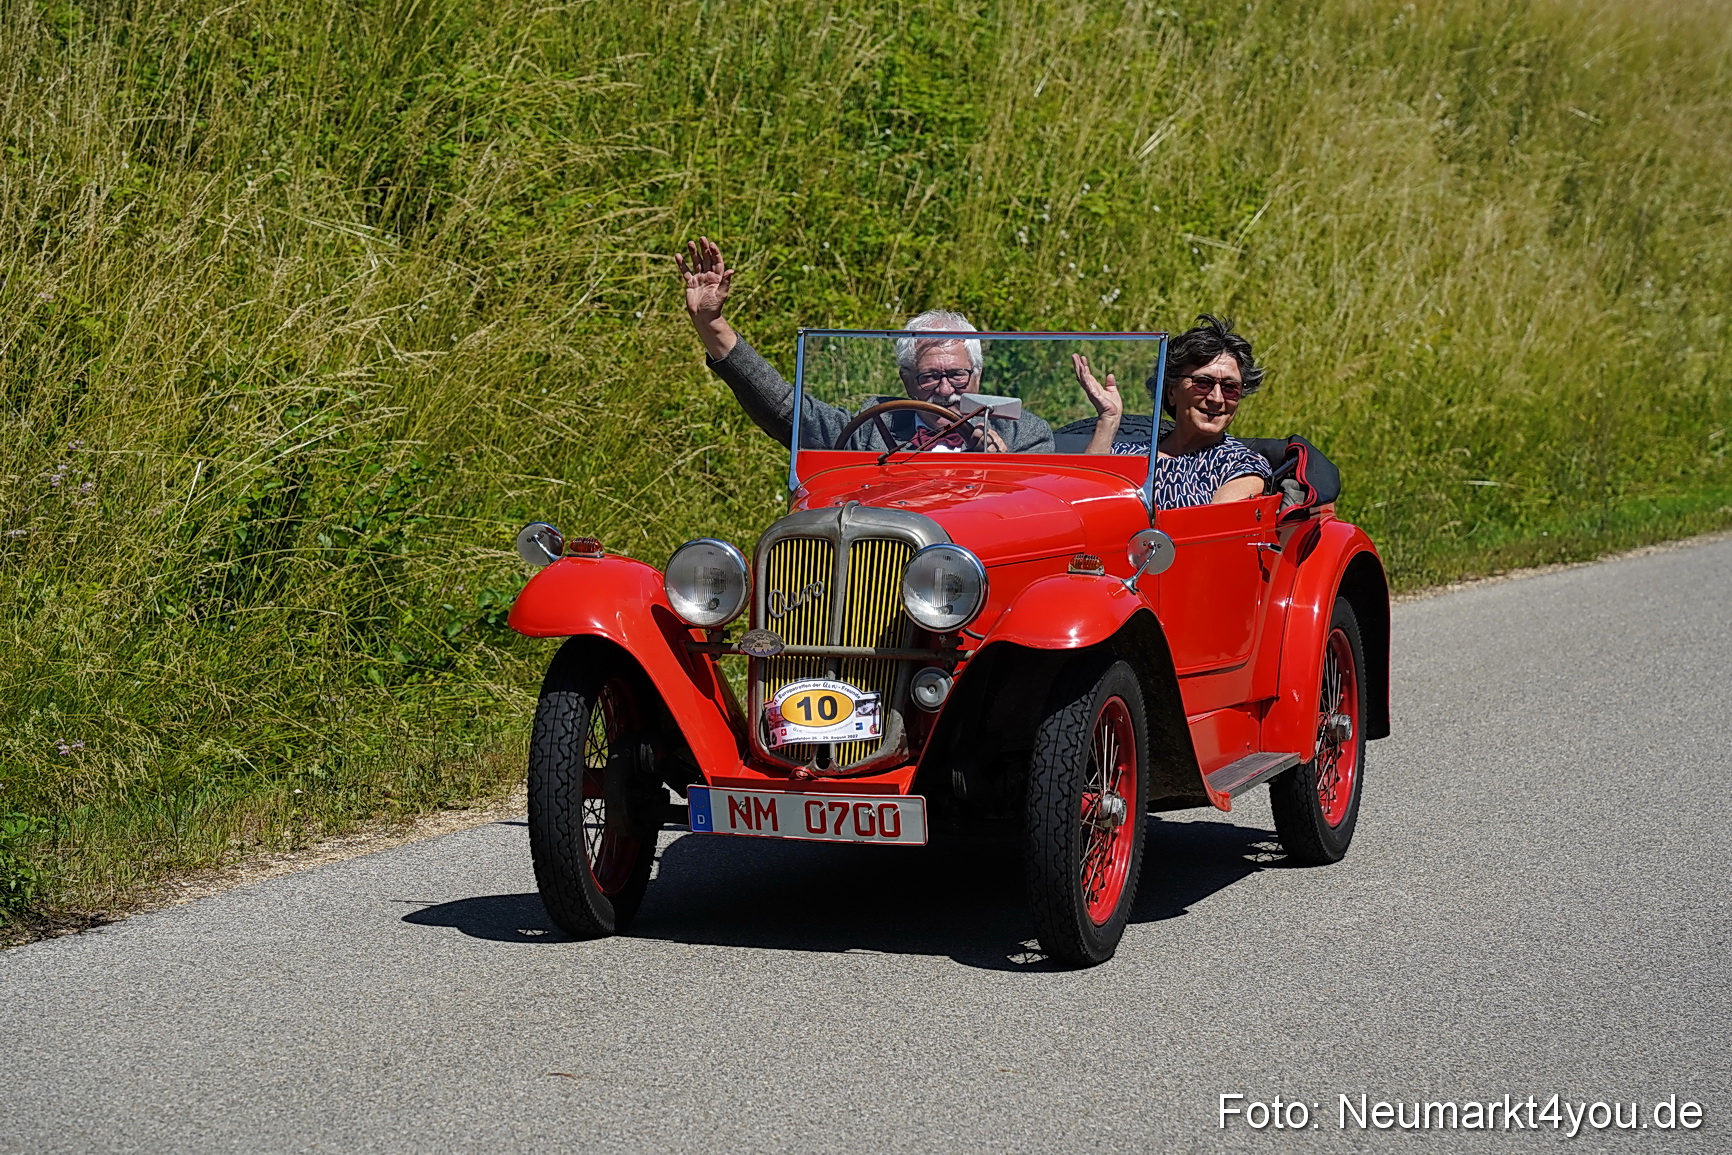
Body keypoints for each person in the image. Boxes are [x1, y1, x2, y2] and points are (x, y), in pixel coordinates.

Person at [675, 237, 1053, 453]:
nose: (944, 390)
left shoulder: (1025, 434)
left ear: (977, 375)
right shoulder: (870, 429)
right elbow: (783, 409)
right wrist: (713, 325)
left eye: (956, 375)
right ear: (906, 380)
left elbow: (1038, 515)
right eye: (929, 377)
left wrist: (1000, 471)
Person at [1071, 314, 1270, 506]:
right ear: (1171, 391)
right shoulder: (1131, 454)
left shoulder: (1242, 465)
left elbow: (1208, 531)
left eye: (1230, 387)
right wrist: (1109, 419)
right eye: (1202, 383)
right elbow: (1083, 503)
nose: (1217, 398)